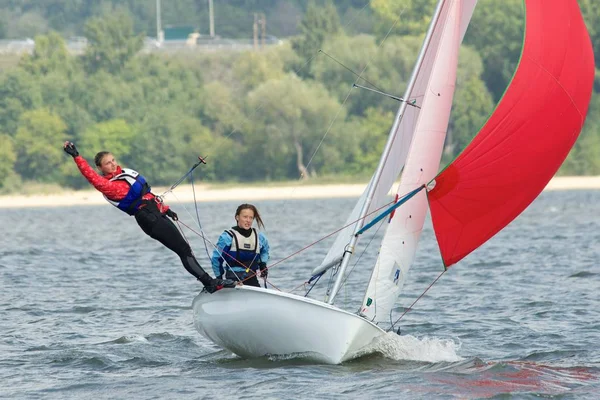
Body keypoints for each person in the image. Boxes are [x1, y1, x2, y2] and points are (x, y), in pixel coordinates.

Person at [62, 141, 235, 293]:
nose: (113, 164)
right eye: (107, 163)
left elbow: (147, 194)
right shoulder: (108, 186)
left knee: (185, 249)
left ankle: (210, 282)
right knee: (183, 250)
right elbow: (92, 178)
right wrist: (77, 157)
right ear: (100, 168)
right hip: (148, 218)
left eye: (113, 160)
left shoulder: (125, 174)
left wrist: (165, 209)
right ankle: (210, 283)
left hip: (156, 212)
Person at [211, 204, 270, 287]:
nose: (248, 220)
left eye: (251, 217)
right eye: (245, 217)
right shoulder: (227, 237)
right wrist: (219, 279)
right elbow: (216, 259)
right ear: (237, 217)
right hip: (232, 280)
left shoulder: (259, 237)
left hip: (252, 279)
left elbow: (265, 251)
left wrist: (262, 264)